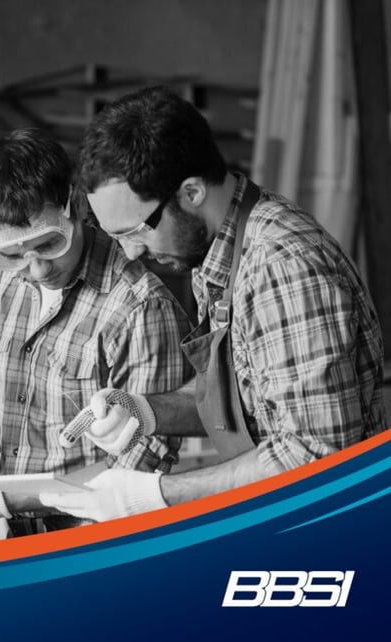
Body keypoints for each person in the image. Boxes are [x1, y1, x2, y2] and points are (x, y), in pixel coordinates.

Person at [39, 86, 386, 522]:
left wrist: (154, 493)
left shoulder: (280, 265)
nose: (130, 253)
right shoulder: (216, 252)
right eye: (116, 236)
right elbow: (248, 398)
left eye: (137, 230)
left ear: (192, 192)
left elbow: (315, 454)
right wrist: (144, 411)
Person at [0, 128, 194, 531]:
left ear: (76, 205)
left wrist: (3, 500)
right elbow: (1, 402)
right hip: (15, 531)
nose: (37, 269)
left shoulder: (139, 306)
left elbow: (134, 475)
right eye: (13, 254)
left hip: (95, 543)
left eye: (49, 245)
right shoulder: (5, 285)